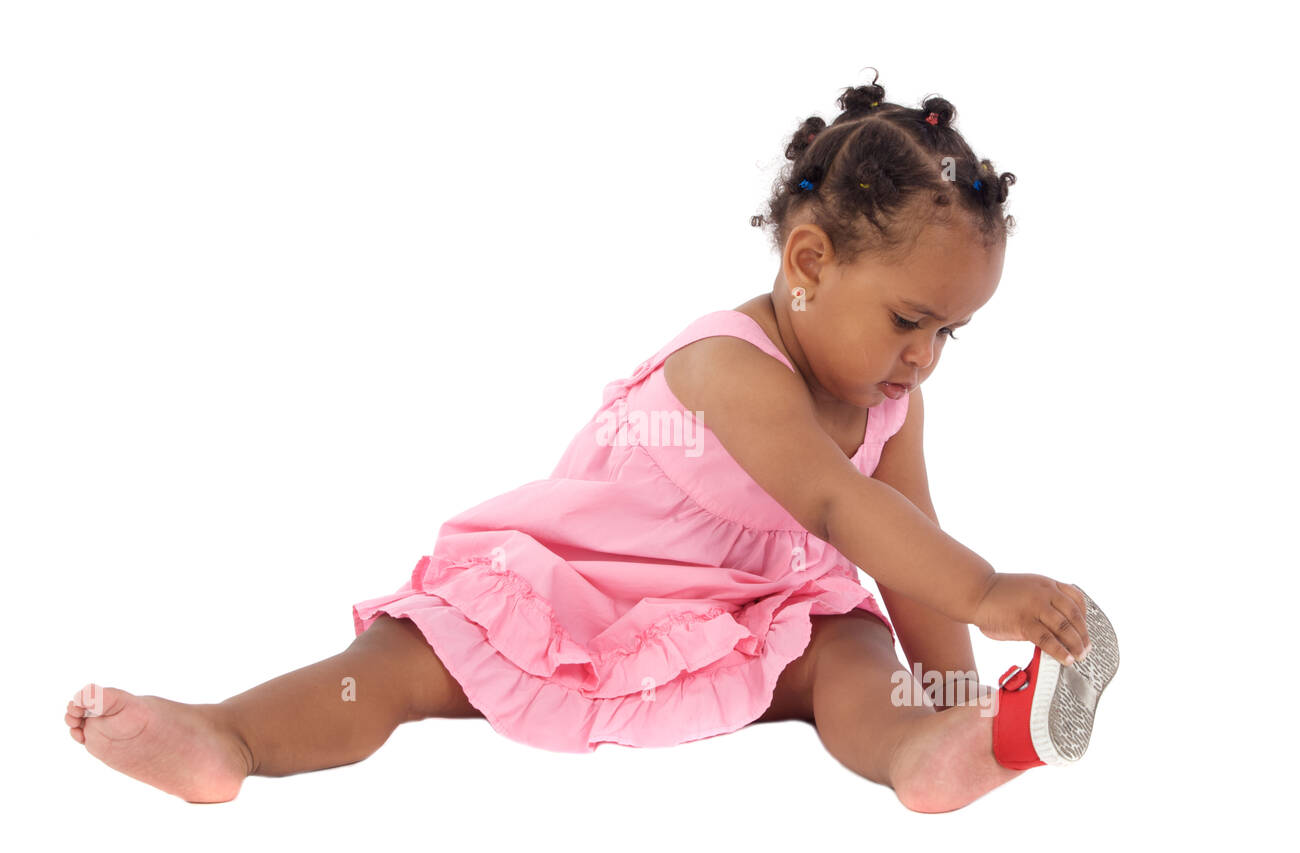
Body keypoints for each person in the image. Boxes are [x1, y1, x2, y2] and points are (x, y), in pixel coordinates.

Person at [65, 70, 1119, 814]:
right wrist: (988, 592)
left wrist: (958, 687)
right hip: (578, 587)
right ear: (808, 260)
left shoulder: (893, 403)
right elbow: (840, 510)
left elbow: (906, 546)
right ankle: (227, 736)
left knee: (851, 652)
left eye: (949, 332)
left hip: (743, 617)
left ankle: (927, 752)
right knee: (391, 667)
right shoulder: (729, 369)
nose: (923, 357)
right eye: (906, 320)